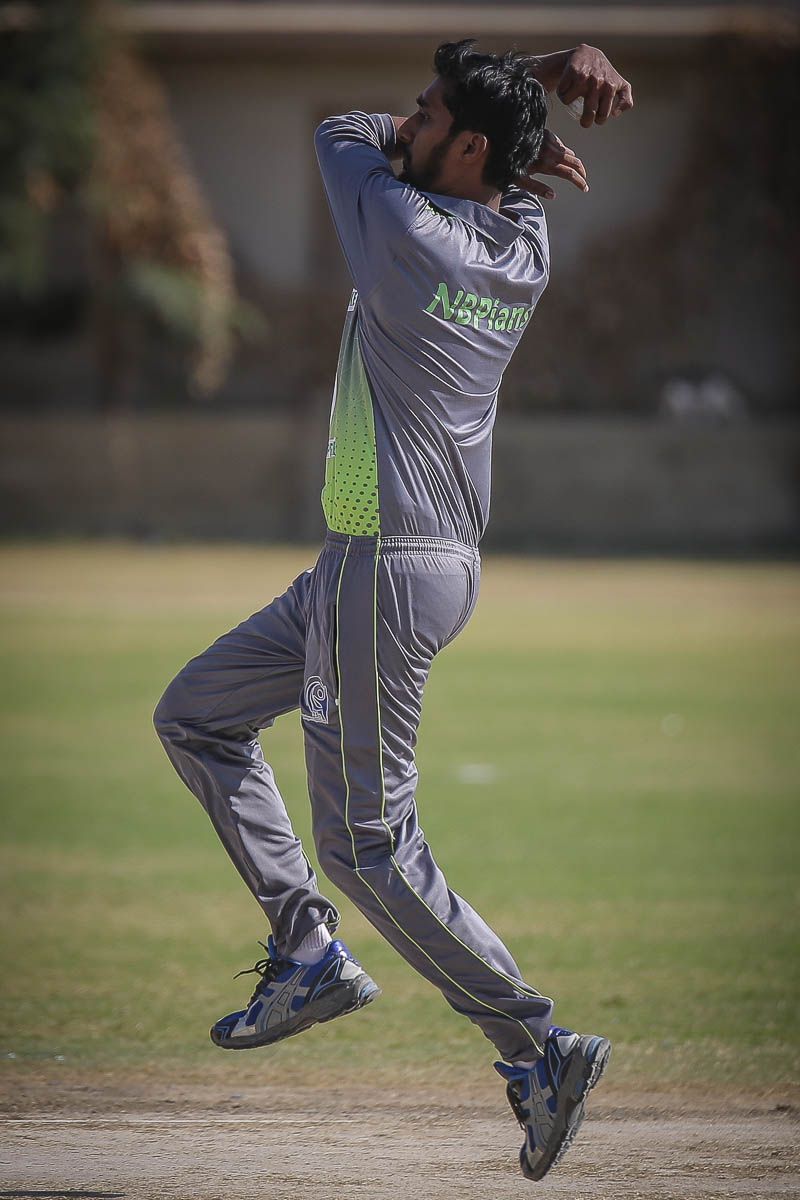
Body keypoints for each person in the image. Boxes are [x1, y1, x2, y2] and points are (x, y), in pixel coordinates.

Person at [154, 39, 633, 1182]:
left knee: (367, 845)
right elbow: (458, 159)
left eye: (426, 116)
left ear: (465, 148)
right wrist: (508, 122)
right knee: (197, 715)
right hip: (403, 562)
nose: (403, 125)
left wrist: (533, 73)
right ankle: (304, 948)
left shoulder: (400, 225)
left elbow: (340, 133)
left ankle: (536, 1046)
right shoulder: (524, 244)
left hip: (381, 566)